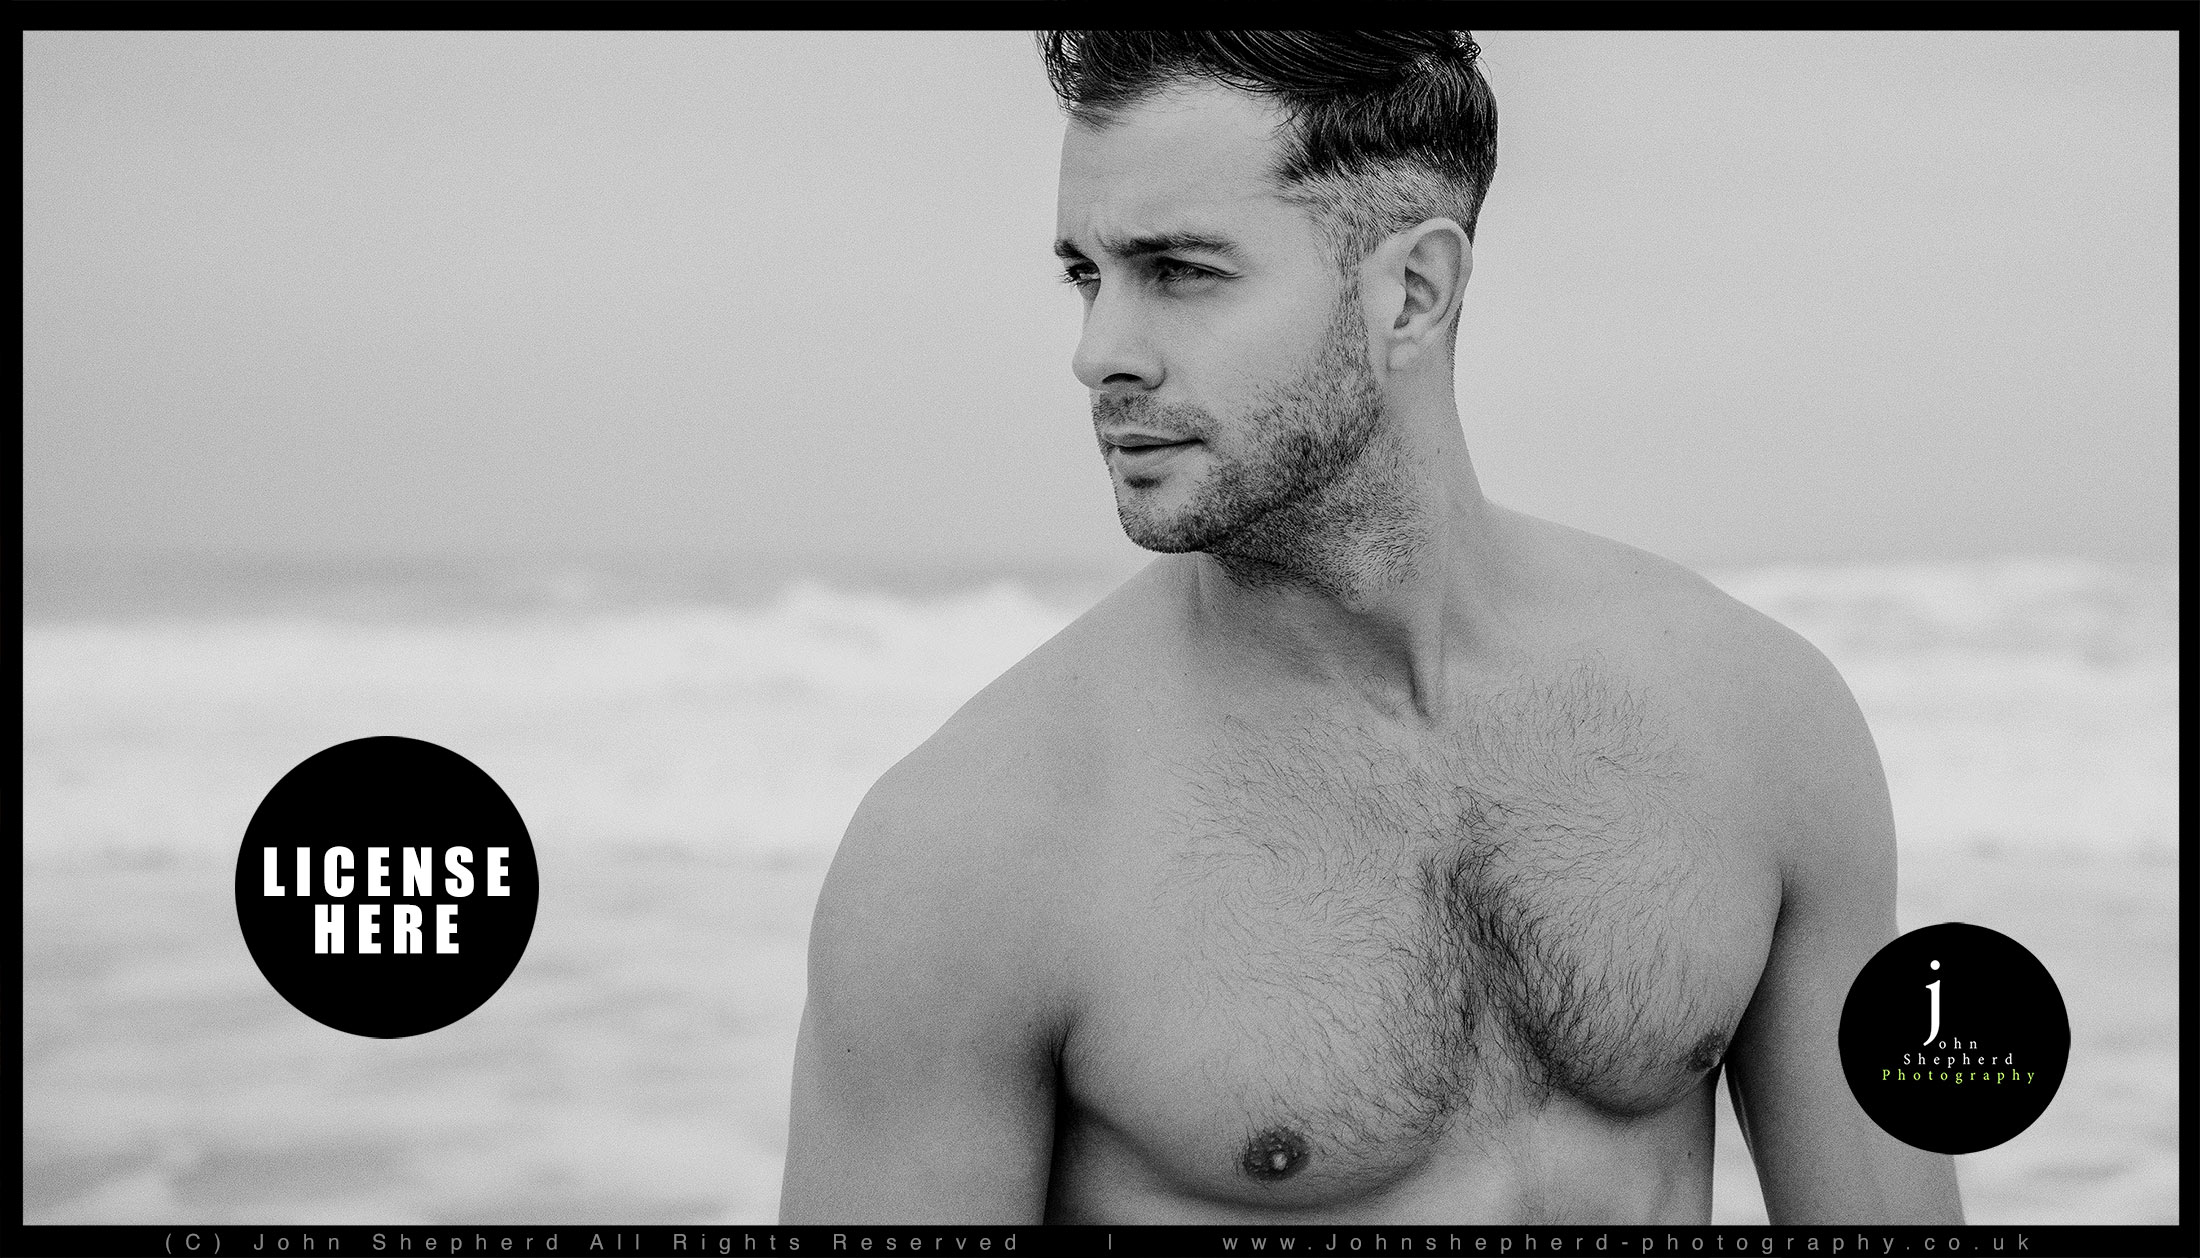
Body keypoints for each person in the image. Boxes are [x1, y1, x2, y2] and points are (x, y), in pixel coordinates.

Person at [779, 30, 1965, 1225]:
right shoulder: (971, 852)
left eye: (1179, 270)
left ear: (1411, 290)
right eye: (1086, 274)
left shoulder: (1757, 721)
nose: (1099, 355)